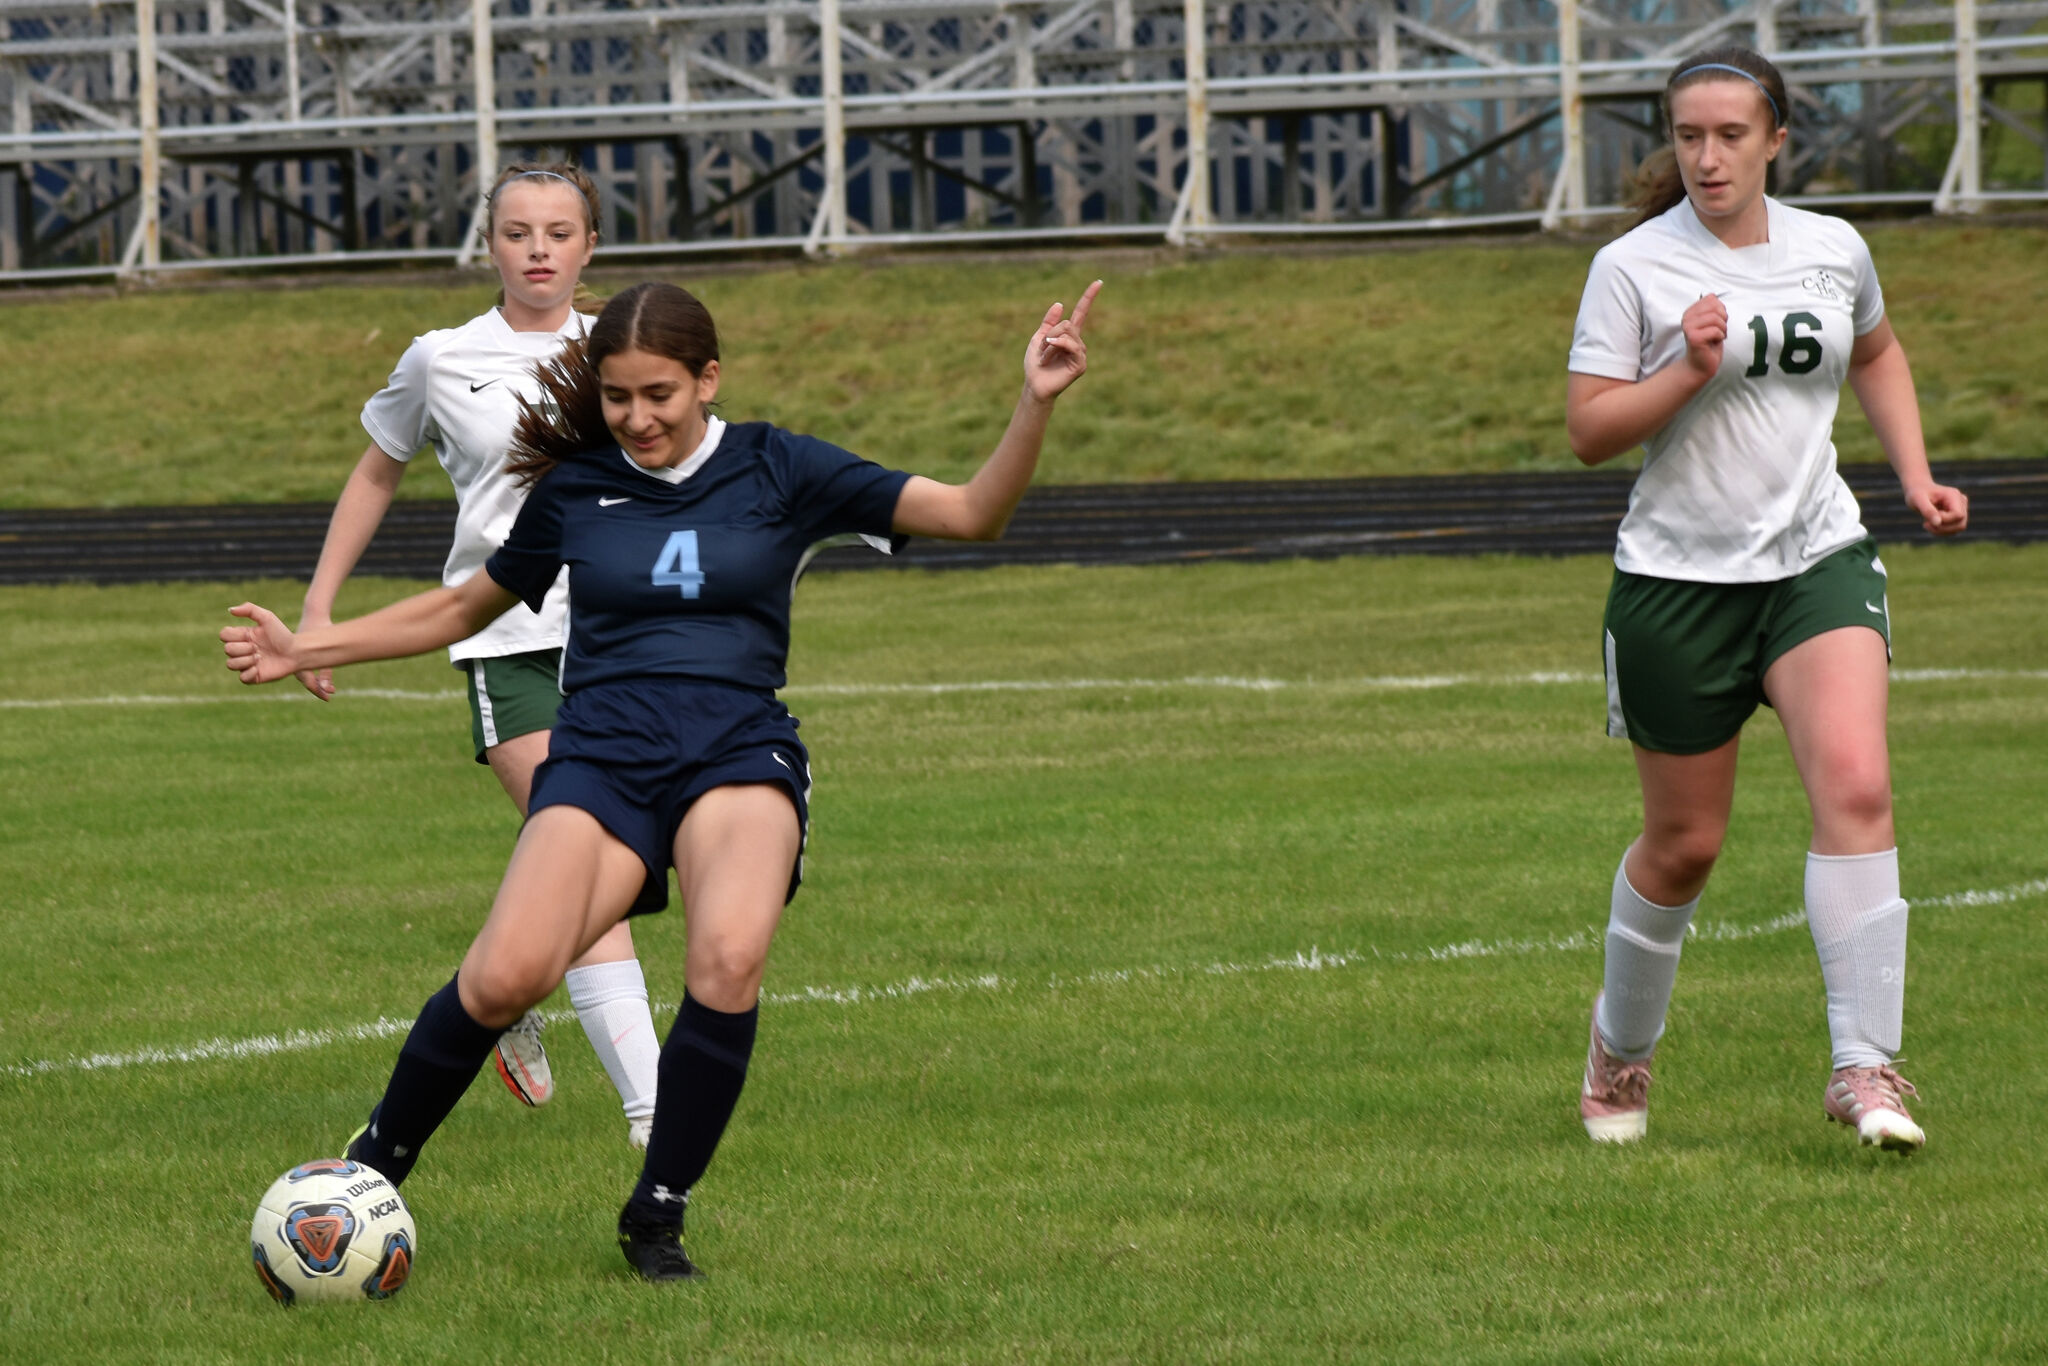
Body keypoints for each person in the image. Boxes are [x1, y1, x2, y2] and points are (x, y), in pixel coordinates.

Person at [224, 276, 1102, 1280]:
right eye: (617, 398)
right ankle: (364, 1179)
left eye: (660, 396)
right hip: (598, 757)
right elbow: (460, 610)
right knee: (506, 975)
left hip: (735, 754)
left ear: (707, 378)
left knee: (726, 960)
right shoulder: (578, 489)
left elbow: (972, 512)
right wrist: (311, 646)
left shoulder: (781, 466)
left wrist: (1031, 402)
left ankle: (656, 1211)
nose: (637, 418)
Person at [1565, 48, 1968, 1153]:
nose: (1705, 156)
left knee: (1855, 783)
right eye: (1687, 136)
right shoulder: (1631, 268)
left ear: (1774, 139)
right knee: (1683, 843)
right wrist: (1682, 370)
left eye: (1729, 135)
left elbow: (1874, 352)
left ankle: (1862, 1067)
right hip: (1675, 586)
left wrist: (1910, 475)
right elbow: (1590, 431)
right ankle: (1619, 1050)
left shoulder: (1831, 248)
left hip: (1813, 561)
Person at [298, 161, 666, 1146]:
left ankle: (501, 986)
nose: (537, 249)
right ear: (488, 244)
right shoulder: (439, 356)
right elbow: (377, 472)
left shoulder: (629, 346)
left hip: (626, 641)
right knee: (585, 855)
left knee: (606, 858)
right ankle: (653, 1111)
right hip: (505, 640)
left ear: (590, 247)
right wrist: (319, 611)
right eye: (516, 232)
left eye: (557, 231)